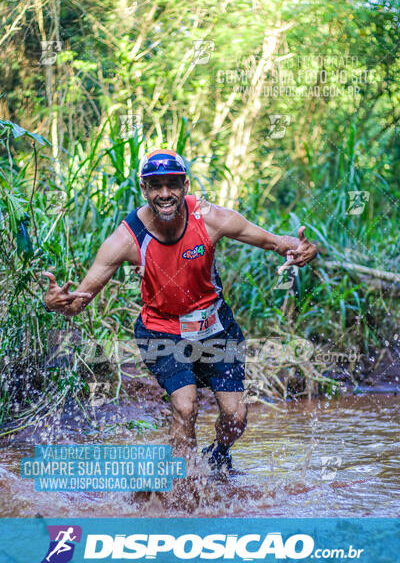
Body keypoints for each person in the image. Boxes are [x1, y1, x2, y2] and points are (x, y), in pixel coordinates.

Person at [43, 149, 317, 471]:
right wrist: (55, 304)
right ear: (143, 189)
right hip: (163, 332)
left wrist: (301, 249)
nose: (164, 193)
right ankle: (181, 483)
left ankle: (217, 456)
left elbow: (275, 242)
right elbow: (79, 301)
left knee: (236, 416)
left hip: (217, 329)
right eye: (155, 185)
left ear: (185, 185)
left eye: (172, 184)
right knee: (185, 408)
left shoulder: (210, 218)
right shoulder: (127, 238)